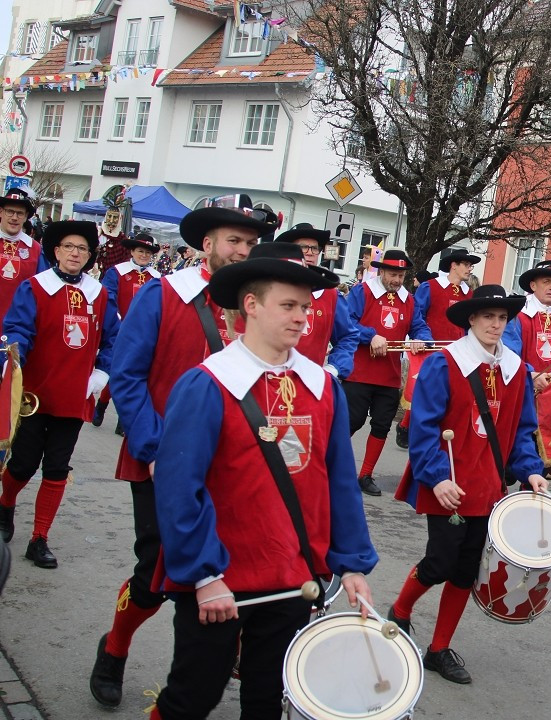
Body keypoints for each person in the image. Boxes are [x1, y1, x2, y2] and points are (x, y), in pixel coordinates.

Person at [146, 242, 378, 720]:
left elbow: (339, 483)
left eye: (306, 308)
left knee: (267, 701)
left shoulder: (322, 386)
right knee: (191, 698)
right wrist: (203, 575)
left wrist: (352, 564)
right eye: (288, 306)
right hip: (220, 580)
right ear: (251, 305)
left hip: (294, 579)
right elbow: (177, 489)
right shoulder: (208, 383)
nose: (301, 319)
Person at [89, 204, 275, 709]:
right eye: (232, 241)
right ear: (206, 243)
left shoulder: (254, 306)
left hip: (233, 466)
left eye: (249, 243)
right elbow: (127, 377)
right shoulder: (162, 296)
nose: (241, 251)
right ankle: (115, 647)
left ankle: (189, 686)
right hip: (160, 458)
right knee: (156, 573)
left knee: (226, 573)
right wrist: (154, 448)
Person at [390, 284, 547, 684]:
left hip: (489, 486)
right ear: (472, 320)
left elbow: (522, 432)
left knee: (465, 571)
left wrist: (530, 471)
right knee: (439, 562)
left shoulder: (516, 370)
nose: (496, 324)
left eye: (502, 318)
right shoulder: (444, 365)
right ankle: (401, 611)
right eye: (488, 317)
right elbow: (424, 429)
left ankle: (439, 649)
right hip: (449, 483)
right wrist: (438, 477)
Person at [0, 221, 119, 568]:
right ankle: (6, 505)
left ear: (89, 255)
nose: (75, 253)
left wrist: (100, 374)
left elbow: (112, 339)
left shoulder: (99, 294)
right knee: (22, 465)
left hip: (74, 396)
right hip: (34, 394)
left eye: (82, 249)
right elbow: (18, 329)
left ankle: (39, 538)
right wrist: (15, 357)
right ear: (55, 251)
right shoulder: (34, 288)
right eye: (69, 247)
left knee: (56, 468)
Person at [344, 248, 433, 496]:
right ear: (381, 271)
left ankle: (365, 475)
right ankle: (334, 468)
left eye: (401, 275)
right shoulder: (362, 292)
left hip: (390, 376)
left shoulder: (409, 300)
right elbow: (346, 321)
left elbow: (419, 327)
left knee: (382, 425)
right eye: (392, 273)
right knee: (351, 422)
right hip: (358, 373)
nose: (396, 280)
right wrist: (370, 335)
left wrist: (422, 340)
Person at [396, 247, 479, 447]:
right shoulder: (430, 287)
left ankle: (431, 432)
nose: (470, 269)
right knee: (424, 392)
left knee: (449, 396)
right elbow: (417, 316)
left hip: (459, 354)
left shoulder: (470, 294)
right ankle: (407, 426)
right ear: (454, 265)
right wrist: (420, 339)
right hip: (431, 351)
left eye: (470, 265)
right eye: (466, 264)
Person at [273, 223, 360, 378]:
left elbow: (348, 336)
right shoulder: (271, 286)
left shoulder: (330, 294)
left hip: (310, 385)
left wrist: (334, 368)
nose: (310, 252)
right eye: (303, 247)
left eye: (314, 248)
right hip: (268, 381)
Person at [94, 231, 162, 429]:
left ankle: (123, 420)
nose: (144, 255)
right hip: (120, 330)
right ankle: (102, 404)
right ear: (132, 251)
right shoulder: (116, 272)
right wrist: (119, 324)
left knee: (137, 375)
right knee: (116, 371)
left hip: (146, 335)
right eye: (140, 251)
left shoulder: (157, 277)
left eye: (148, 253)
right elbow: (109, 300)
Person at [503, 259, 551, 390]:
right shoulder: (516, 316)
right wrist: (530, 375)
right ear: (533, 286)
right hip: (520, 386)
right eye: (546, 282)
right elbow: (508, 353)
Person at [0, 188, 48, 319]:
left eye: (20, 213)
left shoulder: (36, 250)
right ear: (1, 212)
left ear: (26, 216)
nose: (14, 218)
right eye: (10, 211)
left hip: (18, 325)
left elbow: (42, 289)